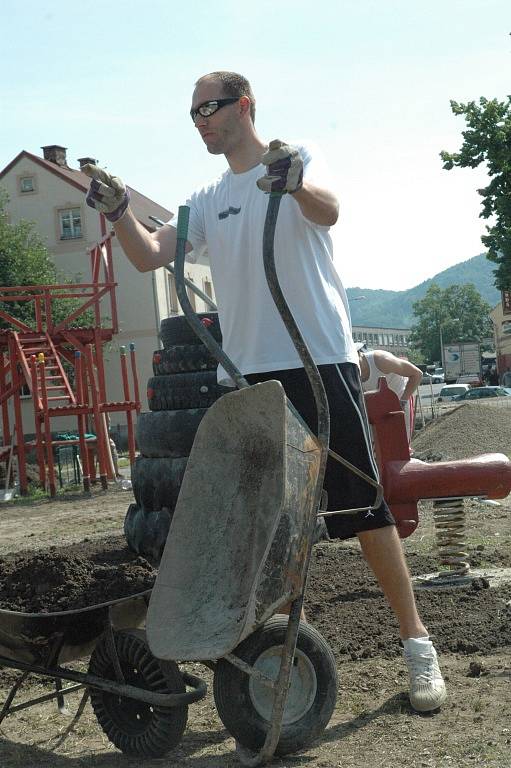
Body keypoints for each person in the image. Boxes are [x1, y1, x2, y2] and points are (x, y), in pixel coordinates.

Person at [82, 71, 446, 713]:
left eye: (210, 109)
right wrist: (117, 213)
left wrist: (295, 179)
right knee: (265, 523)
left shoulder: (293, 159)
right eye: (192, 113)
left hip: (319, 364)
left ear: (244, 106)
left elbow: (329, 210)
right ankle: (275, 649)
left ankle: (418, 647)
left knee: (362, 508)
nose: (200, 121)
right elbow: (149, 256)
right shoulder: (205, 197)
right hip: (249, 380)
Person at [357, 343, 422, 442]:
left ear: (358, 354)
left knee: (401, 443)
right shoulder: (351, 372)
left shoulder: (382, 360)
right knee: (377, 446)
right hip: (377, 406)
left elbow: (417, 374)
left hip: (400, 399)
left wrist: (403, 401)